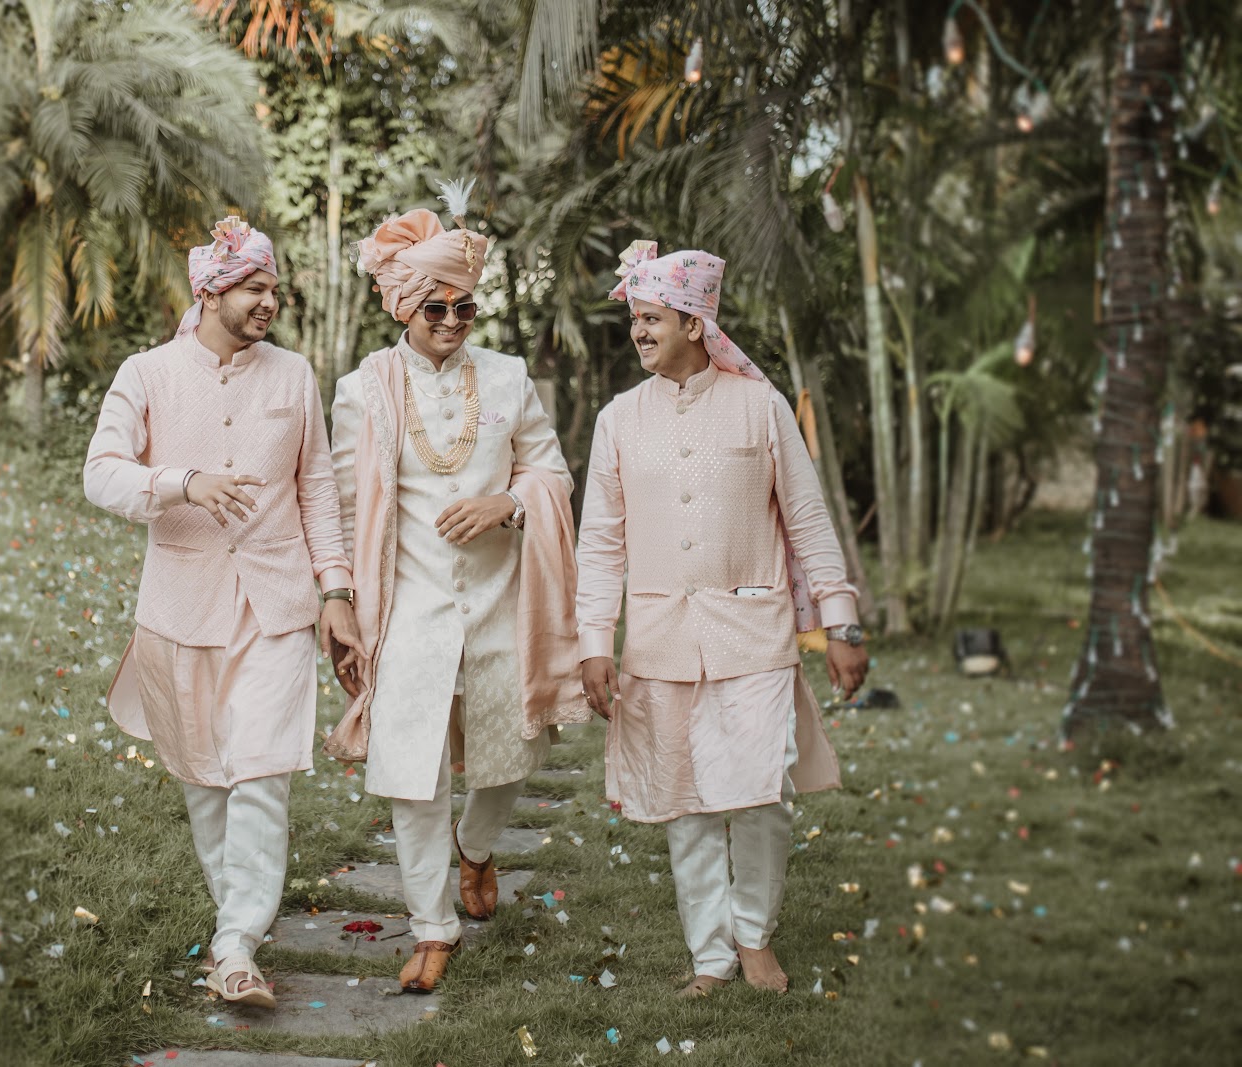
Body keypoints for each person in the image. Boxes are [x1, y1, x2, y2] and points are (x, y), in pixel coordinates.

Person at [575, 241, 869, 998]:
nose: (638, 332)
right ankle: (710, 954)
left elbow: (808, 520)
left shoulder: (760, 406)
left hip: (754, 634)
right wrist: (593, 643)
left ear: (694, 323)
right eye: (636, 319)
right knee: (686, 800)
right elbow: (600, 542)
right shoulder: (618, 419)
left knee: (761, 792)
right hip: (658, 639)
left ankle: (754, 936)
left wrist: (841, 623)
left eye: (652, 319)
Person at [83, 217, 364, 1009]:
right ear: (210, 293)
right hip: (180, 611)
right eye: (253, 289)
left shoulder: (294, 376)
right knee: (206, 780)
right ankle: (233, 930)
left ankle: (237, 943)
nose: (268, 301)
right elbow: (100, 473)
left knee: (262, 773)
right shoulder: (147, 374)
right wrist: (181, 481)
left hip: (277, 607)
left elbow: (317, 490)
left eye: (274, 288)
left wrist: (336, 592)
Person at [327, 181, 587, 993]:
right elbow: (345, 509)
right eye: (434, 307)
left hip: (503, 601)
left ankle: (476, 848)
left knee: (511, 757)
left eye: (464, 308)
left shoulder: (508, 378)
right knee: (414, 773)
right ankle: (432, 927)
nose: (450, 321)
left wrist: (508, 502)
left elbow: (552, 471)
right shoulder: (362, 390)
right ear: (401, 305)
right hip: (409, 609)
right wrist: (341, 603)